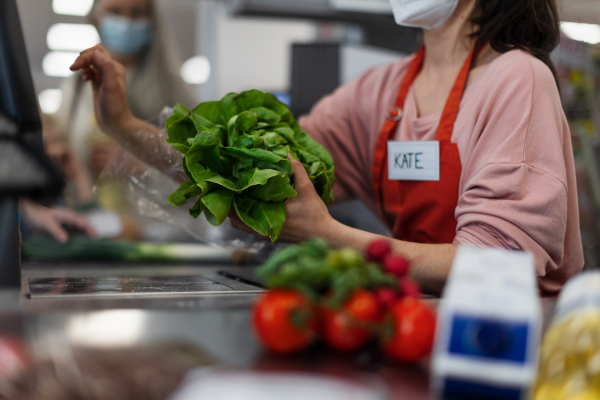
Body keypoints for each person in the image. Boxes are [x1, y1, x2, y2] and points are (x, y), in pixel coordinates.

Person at [70, 0, 584, 296]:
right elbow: (257, 169)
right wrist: (124, 126)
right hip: (417, 321)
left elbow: (499, 266)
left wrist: (325, 232)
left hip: (508, 342)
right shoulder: (382, 90)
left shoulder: (517, 77)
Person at [54, 0, 193, 207]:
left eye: (137, 14)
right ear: (95, 18)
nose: (126, 22)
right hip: (89, 221)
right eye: (115, 12)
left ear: (152, 20)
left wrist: (139, 166)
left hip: (155, 229)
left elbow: (194, 174)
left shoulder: (173, 90)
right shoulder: (75, 87)